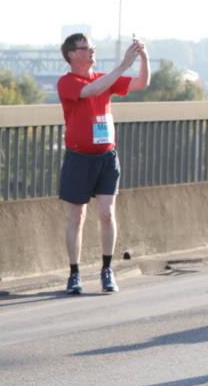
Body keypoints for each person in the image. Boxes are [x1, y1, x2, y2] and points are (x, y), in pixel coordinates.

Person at [57, 33, 149, 294]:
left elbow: (142, 83)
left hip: (107, 156)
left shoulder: (104, 79)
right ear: (72, 55)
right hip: (79, 157)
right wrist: (122, 65)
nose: (91, 51)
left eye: (92, 47)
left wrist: (143, 56)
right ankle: (74, 273)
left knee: (107, 213)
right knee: (78, 215)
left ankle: (107, 269)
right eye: (85, 48)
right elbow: (91, 91)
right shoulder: (67, 82)